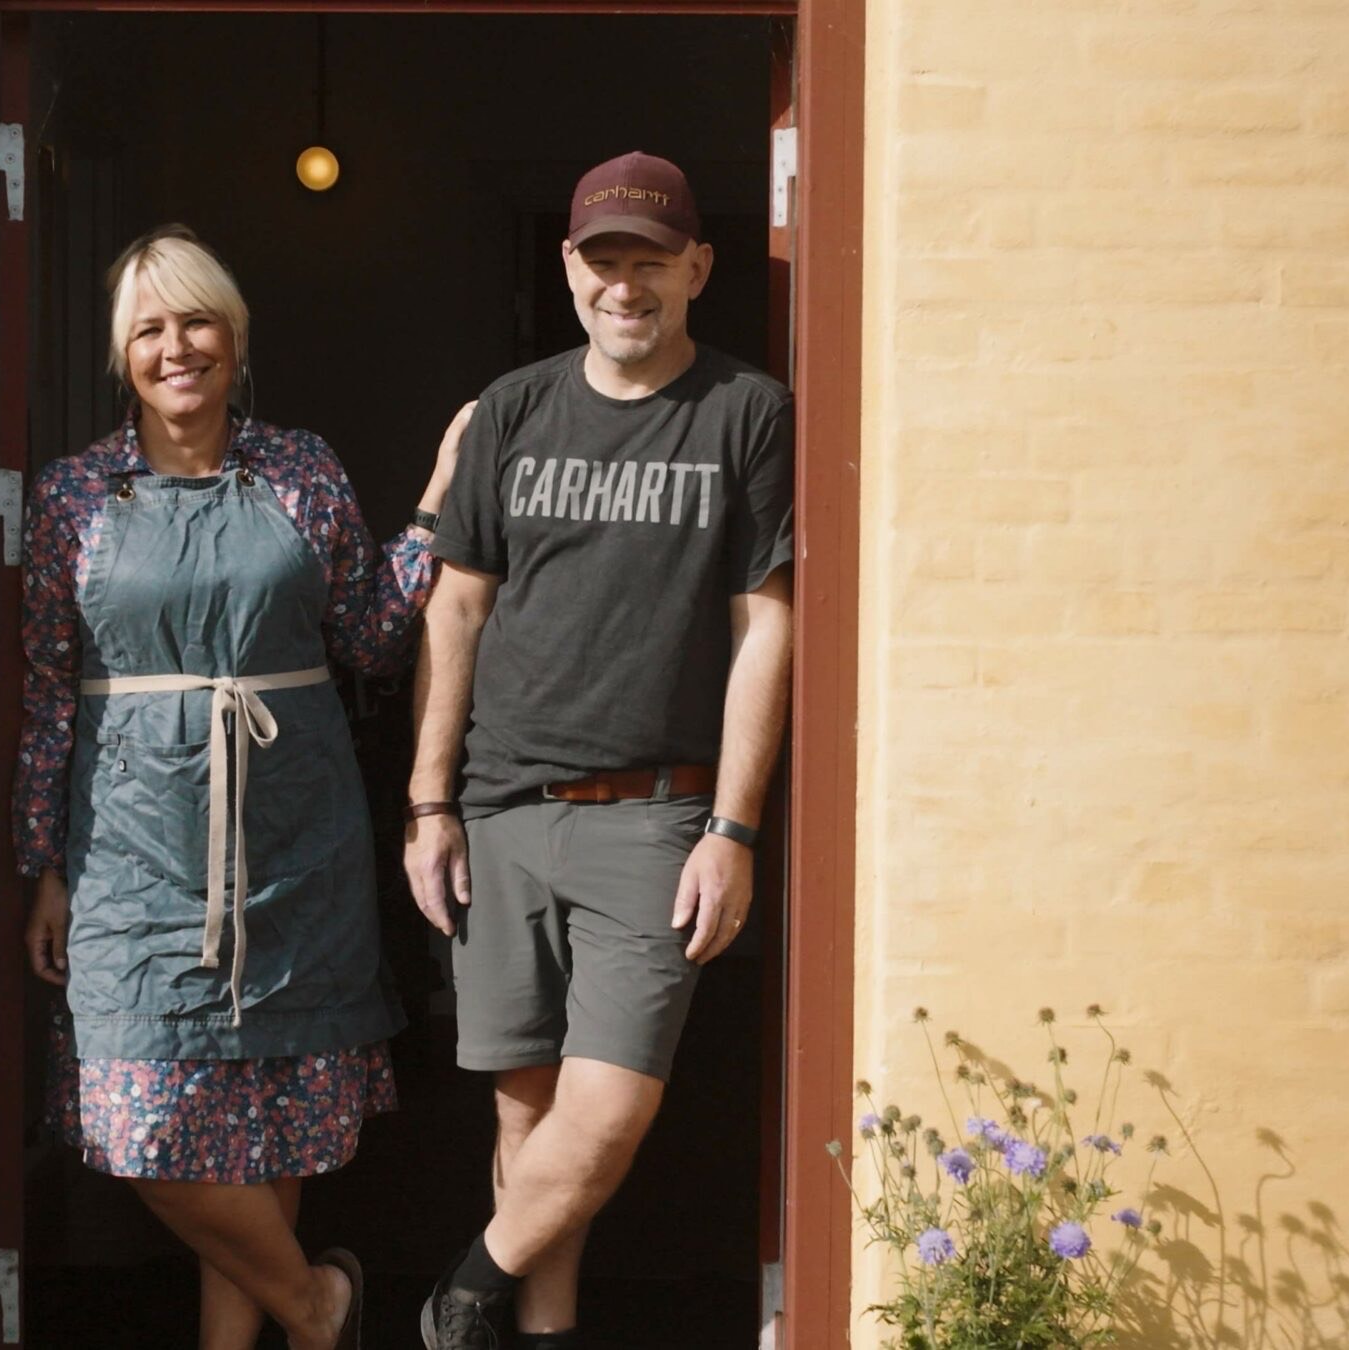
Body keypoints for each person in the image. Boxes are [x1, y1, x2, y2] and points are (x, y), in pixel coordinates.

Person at [15, 224, 470, 1350]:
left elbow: (369, 639)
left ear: (236, 338)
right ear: (123, 354)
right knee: (141, 1130)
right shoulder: (73, 494)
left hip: (292, 841)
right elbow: (46, 692)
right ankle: (320, 1307)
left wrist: (435, 507)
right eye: (150, 329)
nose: (178, 348)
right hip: (129, 852)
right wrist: (46, 869)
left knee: (266, 1135)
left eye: (197, 321)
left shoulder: (301, 468)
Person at [403, 153, 796, 1350]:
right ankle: (536, 1334)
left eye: (649, 260)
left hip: (655, 814)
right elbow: (455, 610)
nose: (625, 284)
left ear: (697, 268)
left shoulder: (745, 412)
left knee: (607, 1110)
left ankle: (459, 1299)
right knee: (526, 1117)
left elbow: (763, 626)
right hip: (506, 807)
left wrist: (732, 829)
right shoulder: (512, 409)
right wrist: (430, 804)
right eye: (602, 259)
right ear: (570, 267)